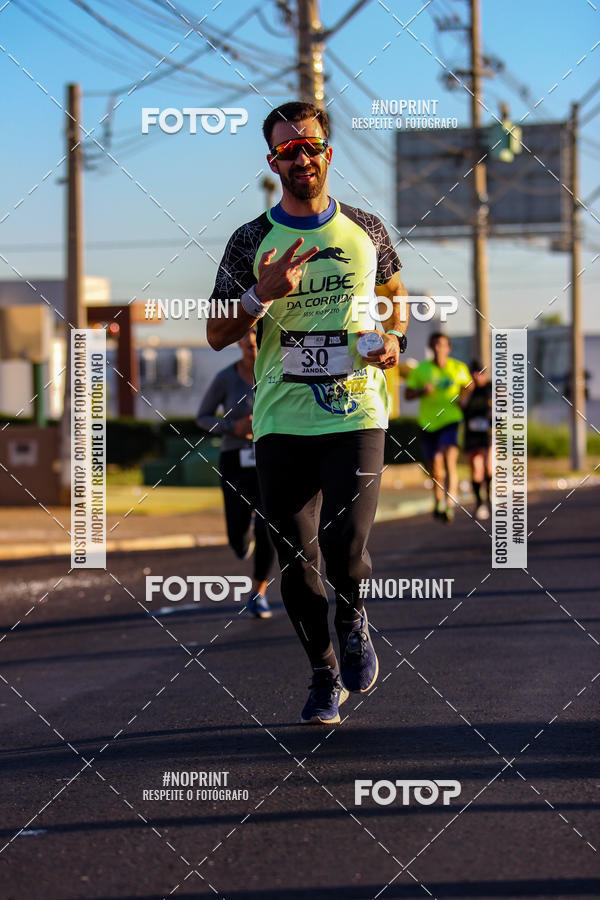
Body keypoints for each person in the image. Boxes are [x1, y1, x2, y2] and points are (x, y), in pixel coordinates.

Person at [206, 100, 409, 724]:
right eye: (288, 151)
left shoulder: (367, 229)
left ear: (328, 153)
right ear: (273, 162)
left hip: (356, 413)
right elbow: (216, 333)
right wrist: (258, 295)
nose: (302, 158)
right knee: (295, 555)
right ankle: (322, 672)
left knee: (347, 545)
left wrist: (394, 338)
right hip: (281, 419)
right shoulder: (250, 239)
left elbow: (396, 298)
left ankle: (353, 619)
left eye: (311, 146)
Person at [196, 329, 275, 618]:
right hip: (235, 460)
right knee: (237, 535)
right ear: (239, 342)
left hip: (270, 459)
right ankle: (242, 540)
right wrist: (233, 427)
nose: (250, 341)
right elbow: (202, 417)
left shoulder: (276, 370)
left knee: (269, 527)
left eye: (255, 334)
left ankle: (259, 592)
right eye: (245, 336)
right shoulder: (225, 378)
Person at [404, 332, 470, 522]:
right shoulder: (421, 370)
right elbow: (407, 394)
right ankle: (438, 500)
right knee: (435, 467)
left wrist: (463, 398)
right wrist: (421, 391)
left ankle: (450, 502)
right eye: (435, 345)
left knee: (448, 459)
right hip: (427, 423)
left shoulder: (458, 368)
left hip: (450, 420)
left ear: (448, 348)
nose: (438, 348)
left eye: (442, 345)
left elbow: (468, 386)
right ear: (431, 348)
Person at [460, 359, 492, 520]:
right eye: (472, 373)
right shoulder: (467, 390)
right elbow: (461, 406)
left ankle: (490, 497)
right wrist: (469, 391)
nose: (475, 376)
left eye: (478, 373)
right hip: (471, 434)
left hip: (488, 433)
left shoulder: (490, 389)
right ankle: (480, 502)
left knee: (488, 467)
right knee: (476, 469)